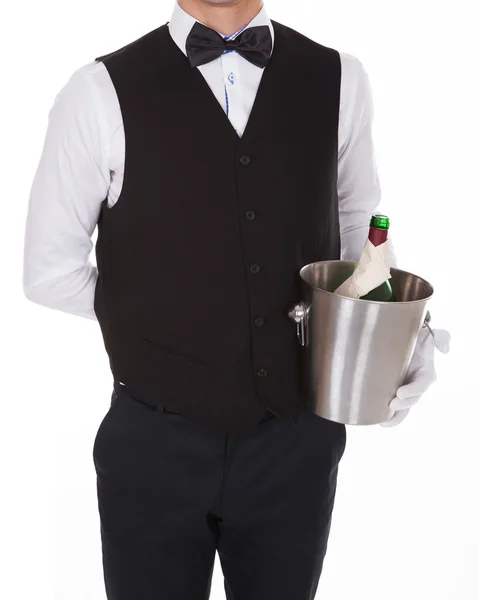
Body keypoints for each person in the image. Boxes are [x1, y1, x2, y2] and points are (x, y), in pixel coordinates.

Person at [22, 1, 449, 598]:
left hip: (297, 434)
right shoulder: (96, 92)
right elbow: (49, 272)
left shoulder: (341, 78)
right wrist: (160, 324)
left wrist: (400, 336)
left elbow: (358, 225)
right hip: (153, 443)